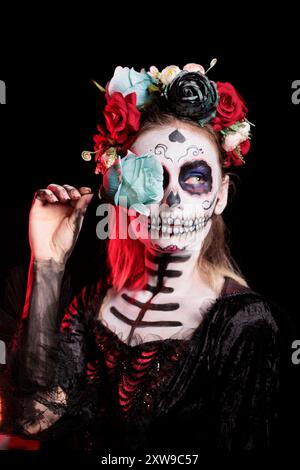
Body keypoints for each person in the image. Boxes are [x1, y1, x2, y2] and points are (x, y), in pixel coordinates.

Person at [1, 62, 290, 453]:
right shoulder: (93, 302)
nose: (172, 199)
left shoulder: (245, 325)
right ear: (119, 189)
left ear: (219, 194)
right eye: (149, 176)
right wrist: (48, 263)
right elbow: (30, 418)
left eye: (194, 177)